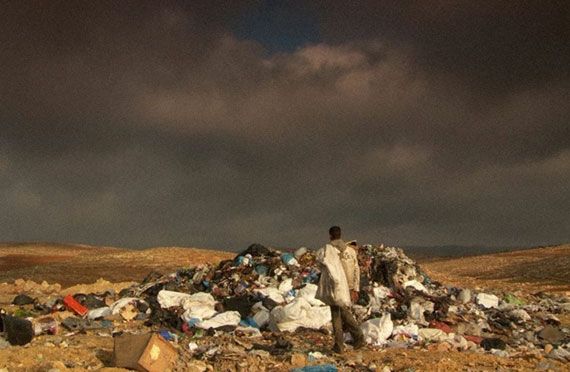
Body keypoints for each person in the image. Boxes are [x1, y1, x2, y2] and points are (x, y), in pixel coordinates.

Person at [315, 226, 365, 353]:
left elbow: (321, 264)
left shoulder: (328, 250)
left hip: (336, 287)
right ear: (340, 235)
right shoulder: (351, 251)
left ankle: (350, 340)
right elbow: (356, 270)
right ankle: (349, 341)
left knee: (338, 314)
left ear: (330, 236)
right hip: (348, 286)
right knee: (341, 312)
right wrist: (355, 288)